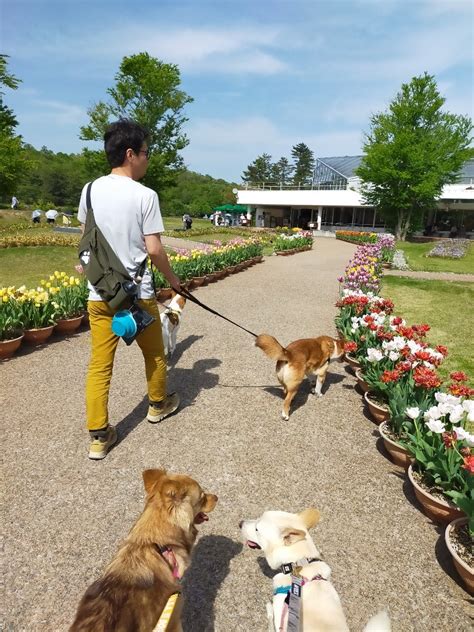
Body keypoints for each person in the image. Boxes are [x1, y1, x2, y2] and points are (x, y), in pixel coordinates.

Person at [78, 119, 181, 460]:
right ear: (130, 154)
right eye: (146, 153)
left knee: (99, 366)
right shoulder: (145, 196)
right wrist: (174, 280)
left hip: (101, 295)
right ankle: (157, 405)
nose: (148, 159)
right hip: (139, 296)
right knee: (153, 355)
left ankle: (98, 436)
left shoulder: (89, 190)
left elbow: (86, 241)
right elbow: (153, 249)